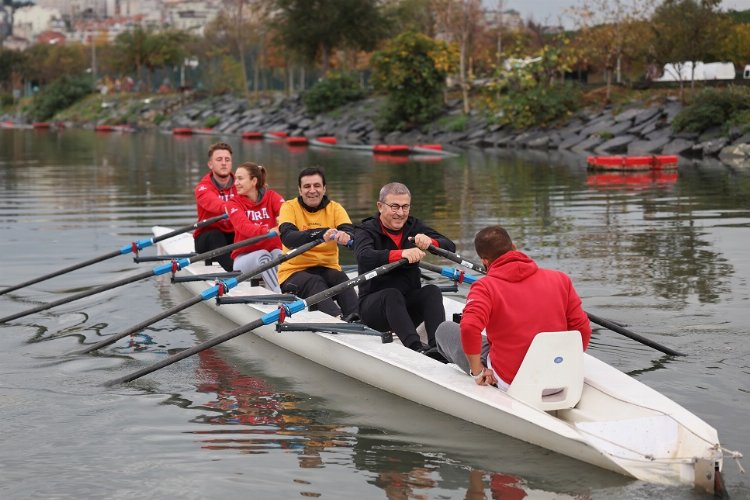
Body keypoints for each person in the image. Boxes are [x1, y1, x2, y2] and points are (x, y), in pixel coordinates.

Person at [435, 225, 592, 389]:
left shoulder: (484, 287)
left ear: (484, 262)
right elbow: (583, 328)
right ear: (514, 248)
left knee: (444, 329)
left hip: (512, 382)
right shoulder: (560, 279)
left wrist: (478, 372)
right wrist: (567, 363)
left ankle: (475, 370)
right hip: (560, 376)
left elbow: (469, 328)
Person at [353, 182, 456, 353]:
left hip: (406, 309)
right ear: (380, 206)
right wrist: (400, 254)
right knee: (391, 294)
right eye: (394, 207)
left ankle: (438, 348)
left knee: (432, 291)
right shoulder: (365, 230)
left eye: (405, 207)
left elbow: (450, 247)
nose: (400, 213)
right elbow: (364, 256)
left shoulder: (414, 226)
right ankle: (416, 348)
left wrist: (431, 242)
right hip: (374, 311)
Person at [277, 167, 358, 319]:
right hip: (293, 272)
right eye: (307, 187)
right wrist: (320, 233)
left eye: (317, 186)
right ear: (300, 190)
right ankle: (336, 319)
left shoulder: (335, 208)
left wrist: (346, 236)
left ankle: (359, 318)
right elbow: (288, 238)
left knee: (341, 278)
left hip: (327, 268)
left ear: (324, 188)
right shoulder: (289, 207)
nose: (312, 190)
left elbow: (351, 233)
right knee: (315, 281)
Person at [226, 162, 285, 292]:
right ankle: (278, 295)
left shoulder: (272, 196)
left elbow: (286, 210)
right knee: (263, 256)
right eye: (236, 178)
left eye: (240, 179)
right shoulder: (233, 203)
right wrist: (268, 231)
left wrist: (284, 219)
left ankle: (291, 291)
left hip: (270, 254)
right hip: (243, 260)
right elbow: (244, 227)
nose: (236, 183)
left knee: (280, 254)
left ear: (254, 181)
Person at [193, 142, 237, 272]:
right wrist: (233, 208)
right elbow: (215, 205)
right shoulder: (202, 188)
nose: (224, 163)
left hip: (233, 236)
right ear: (210, 164)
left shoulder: (242, 184)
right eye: (219, 159)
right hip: (207, 239)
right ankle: (234, 271)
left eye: (227, 160)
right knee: (215, 235)